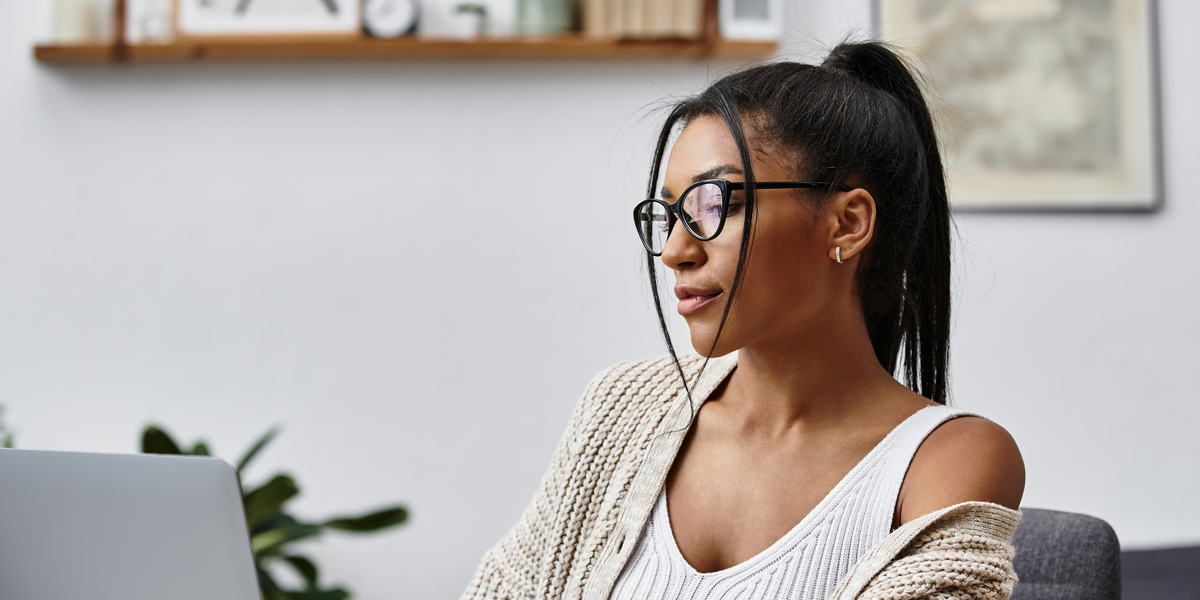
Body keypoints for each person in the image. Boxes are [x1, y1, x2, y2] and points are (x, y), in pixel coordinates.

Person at [462, 42, 1025, 600]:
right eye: (670, 214)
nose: (675, 251)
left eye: (715, 206)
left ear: (848, 223)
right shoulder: (622, 409)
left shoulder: (950, 459)